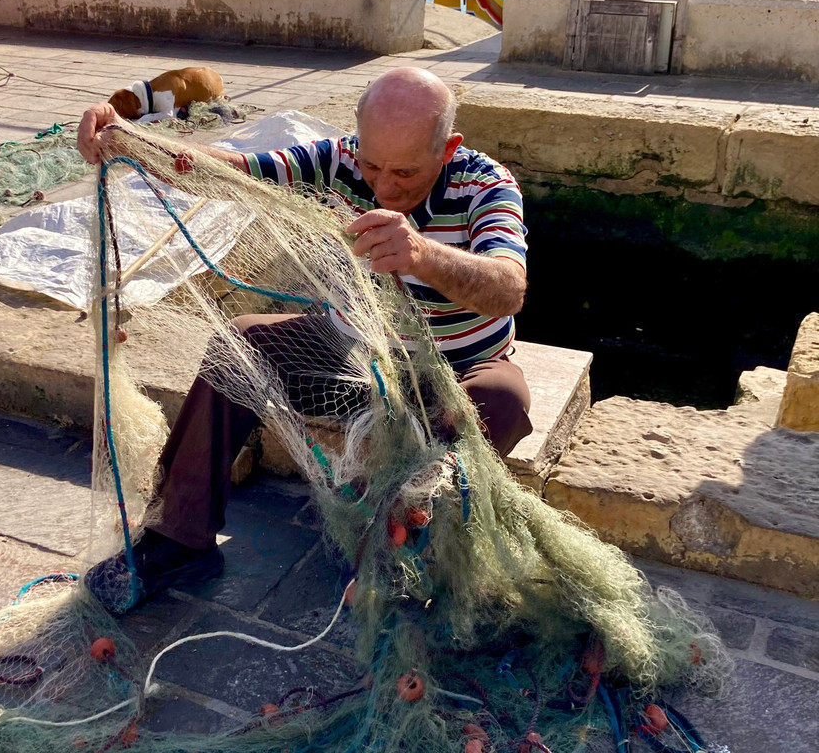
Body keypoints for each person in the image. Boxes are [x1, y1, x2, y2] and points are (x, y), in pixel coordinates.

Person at [76, 67, 532, 612]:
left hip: (458, 369)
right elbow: (232, 172)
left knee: (504, 403)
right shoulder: (333, 160)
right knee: (238, 346)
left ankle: (411, 548)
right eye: (371, 165)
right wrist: (131, 138)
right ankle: (180, 536)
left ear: (447, 147)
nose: (384, 187)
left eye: (406, 173)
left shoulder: (486, 184)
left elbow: (509, 288)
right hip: (353, 360)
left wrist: (424, 255)